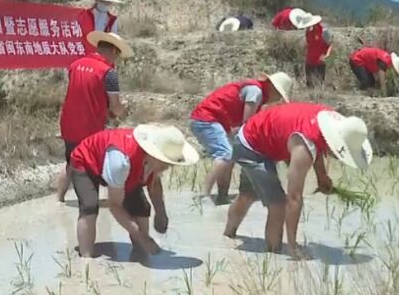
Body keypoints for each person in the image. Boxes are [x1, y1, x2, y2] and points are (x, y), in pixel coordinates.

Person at [223, 103, 372, 259]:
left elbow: (318, 141)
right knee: (278, 205)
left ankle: (227, 236)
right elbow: (293, 198)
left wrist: (321, 176)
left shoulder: (326, 118)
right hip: (251, 146)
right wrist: (293, 248)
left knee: (248, 194)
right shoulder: (304, 148)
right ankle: (273, 257)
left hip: (254, 133)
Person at [67, 124, 199, 259]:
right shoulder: (121, 161)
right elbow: (114, 205)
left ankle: (141, 253)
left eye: (170, 164)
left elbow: (154, 184)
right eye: (166, 163)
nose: (167, 167)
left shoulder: (153, 158)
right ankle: (86, 258)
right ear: (155, 155)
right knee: (90, 206)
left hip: (121, 168)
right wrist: (142, 237)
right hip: (86, 161)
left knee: (141, 207)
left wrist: (160, 212)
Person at [189, 72, 294, 205]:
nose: (277, 99)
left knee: (229, 156)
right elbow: (247, 123)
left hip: (214, 121)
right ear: (272, 88)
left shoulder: (257, 93)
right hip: (206, 120)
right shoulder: (256, 92)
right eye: (279, 95)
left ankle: (222, 197)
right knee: (225, 155)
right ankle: (205, 195)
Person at [55, 30, 133, 203]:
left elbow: (83, 92)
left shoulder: (76, 65)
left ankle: (60, 200)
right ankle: (93, 202)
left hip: (68, 123)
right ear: (113, 51)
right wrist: (124, 107)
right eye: (118, 56)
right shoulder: (109, 73)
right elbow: (116, 107)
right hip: (90, 127)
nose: (116, 61)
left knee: (71, 162)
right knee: (93, 164)